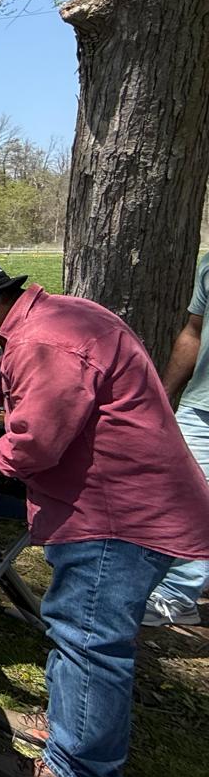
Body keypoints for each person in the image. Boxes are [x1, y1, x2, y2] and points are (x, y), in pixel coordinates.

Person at [0, 257, 209, 777]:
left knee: (89, 638)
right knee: (75, 625)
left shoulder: (47, 342)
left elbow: (33, 447)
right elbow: (4, 381)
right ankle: (73, 725)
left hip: (119, 510)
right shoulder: (57, 318)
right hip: (111, 501)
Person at [146, 251, 209, 625]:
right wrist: (165, 394)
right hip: (200, 406)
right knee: (181, 495)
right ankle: (177, 592)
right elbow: (193, 331)